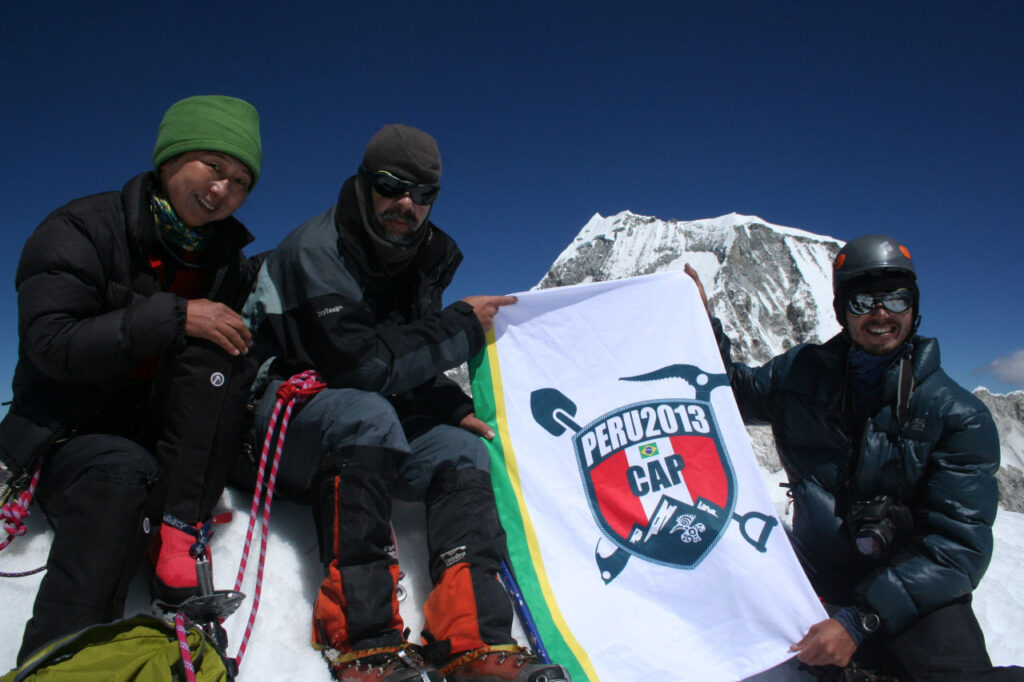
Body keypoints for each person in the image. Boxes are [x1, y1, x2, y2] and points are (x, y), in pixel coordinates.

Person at [242, 124, 570, 682]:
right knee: (364, 411)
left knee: (458, 447)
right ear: (366, 182)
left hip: (359, 424)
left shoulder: (422, 257)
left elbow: (405, 350)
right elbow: (360, 364)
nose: (406, 204)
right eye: (393, 186)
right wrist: (462, 326)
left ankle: (474, 639)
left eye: (423, 195)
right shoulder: (316, 249)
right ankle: (363, 642)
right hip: (279, 427)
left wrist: (444, 400)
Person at [0, 95, 263, 663]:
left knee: (224, 351)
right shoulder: (81, 228)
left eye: (240, 181)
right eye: (212, 166)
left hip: (166, 444)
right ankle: (60, 666)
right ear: (170, 158)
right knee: (121, 474)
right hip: (70, 432)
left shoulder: (228, 263)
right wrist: (175, 315)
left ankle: (177, 530)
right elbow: (52, 344)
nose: (223, 190)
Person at [686, 236, 1022, 680]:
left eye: (896, 299)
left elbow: (956, 549)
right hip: (816, 568)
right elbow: (732, 393)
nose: (881, 314)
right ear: (843, 310)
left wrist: (859, 620)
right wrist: (698, 322)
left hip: (913, 586)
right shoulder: (802, 373)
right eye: (863, 301)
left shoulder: (958, 415)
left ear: (913, 308)